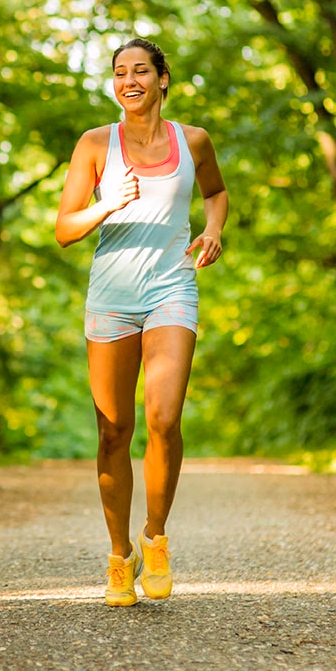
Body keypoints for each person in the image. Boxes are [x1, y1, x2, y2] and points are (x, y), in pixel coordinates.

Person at [55, 37, 228, 607]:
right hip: (111, 294)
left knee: (164, 415)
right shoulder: (94, 144)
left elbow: (217, 192)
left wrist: (213, 229)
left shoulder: (193, 140)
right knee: (112, 430)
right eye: (120, 73)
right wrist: (107, 203)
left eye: (140, 71)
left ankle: (155, 536)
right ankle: (118, 556)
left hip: (171, 287)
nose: (129, 80)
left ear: (162, 79)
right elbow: (64, 229)